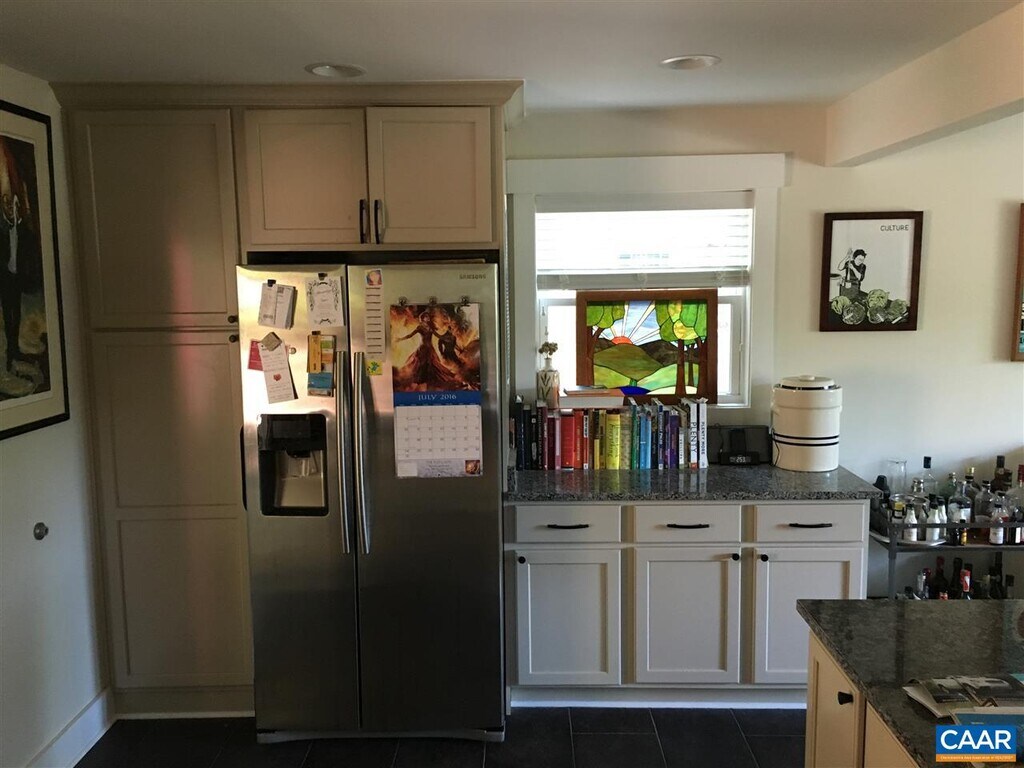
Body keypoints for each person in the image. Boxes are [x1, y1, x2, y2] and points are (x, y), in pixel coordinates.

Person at [393, 310, 459, 390]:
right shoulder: (420, 327)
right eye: (425, 317)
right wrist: (400, 339)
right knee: (419, 364)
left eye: (427, 317)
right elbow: (410, 335)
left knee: (432, 364)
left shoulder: (431, 327)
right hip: (422, 347)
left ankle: (429, 380)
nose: (427, 319)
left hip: (430, 348)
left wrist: (447, 337)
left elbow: (438, 336)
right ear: (422, 319)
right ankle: (418, 379)